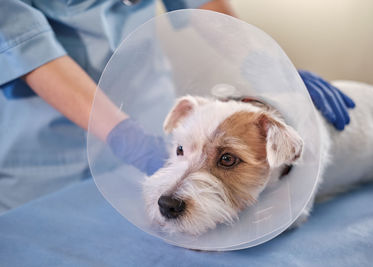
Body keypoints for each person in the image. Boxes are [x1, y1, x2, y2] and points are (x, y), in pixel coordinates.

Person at [0, 0, 354, 213]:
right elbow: (22, 43)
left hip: (152, 110)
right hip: (45, 144)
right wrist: (125, 136)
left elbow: (204, 4)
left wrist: (269, 65)